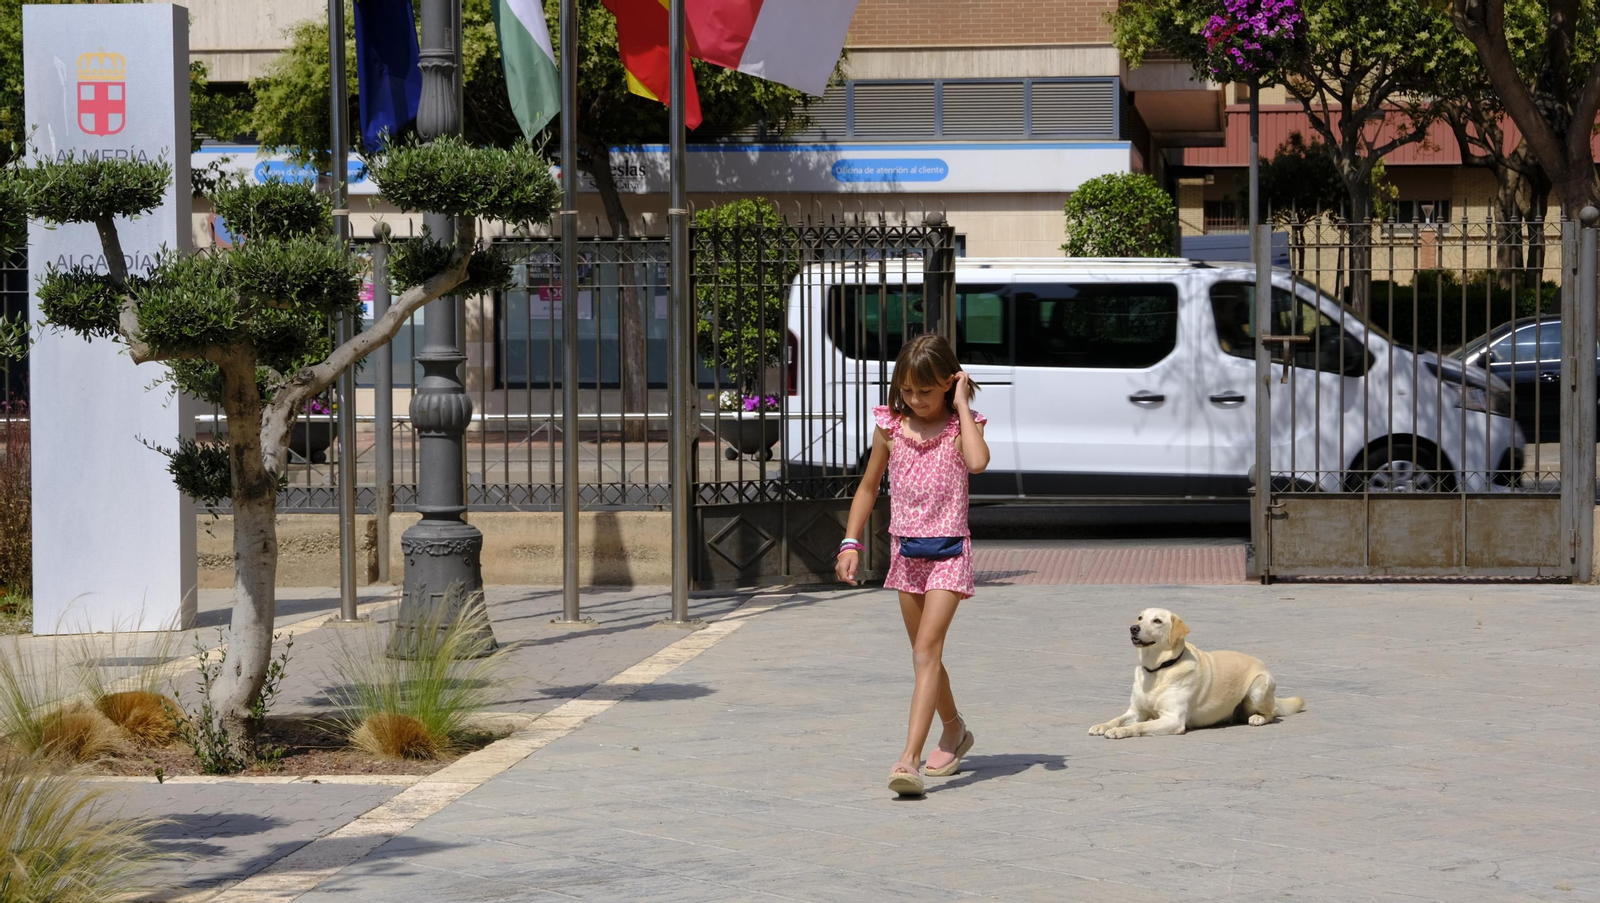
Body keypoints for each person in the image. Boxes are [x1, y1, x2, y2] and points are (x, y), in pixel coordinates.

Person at [835, 333, 991, 797]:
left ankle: (908, 760)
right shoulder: (889, 427)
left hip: (950, 554)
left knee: (926, 652)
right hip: (906, 554)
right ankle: (955, 729)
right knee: (926, 656)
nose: (915, 399)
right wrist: (850, 542)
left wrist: (962, 404)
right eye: (906, 390)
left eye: (926, 390)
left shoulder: (963, 426)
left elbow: (979, 463)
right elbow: (867, 488)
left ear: (949, 382)